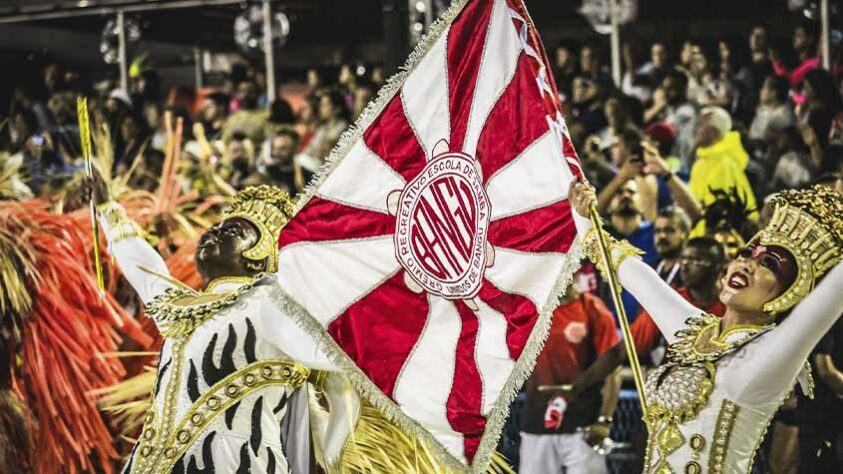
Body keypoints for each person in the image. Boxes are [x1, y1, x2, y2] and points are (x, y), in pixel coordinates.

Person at [569, 182, 843, 473]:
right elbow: (629, 268)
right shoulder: (693, 332)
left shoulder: (771, 353)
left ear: (791, 292)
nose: (746, 265)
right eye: (747, 253)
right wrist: (584, 216)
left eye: (769, 264)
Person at [91, 183, 341, 473]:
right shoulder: (183, 308)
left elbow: (339, 351)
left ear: (258, 255)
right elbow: (145, 268)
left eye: (233, 231)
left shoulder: (269, 303)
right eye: (214, 227)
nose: (214, 233)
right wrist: (108, 207)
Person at [564, 237, 728, 397]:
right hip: (676, 398)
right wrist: (576, 387)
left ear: (718, 267)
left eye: (695, 260)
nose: (684, 266)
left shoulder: (733, 307)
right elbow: (621, 352)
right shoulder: (669, 302)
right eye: (683, 259)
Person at [519, 282, 620, 474]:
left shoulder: (593, 308)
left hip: (583, 426)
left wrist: (604, 420)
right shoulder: (529, 308)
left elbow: (613, 370)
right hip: (536, 422)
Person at [688, 106, 758, 215]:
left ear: (713, 133)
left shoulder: (724, 164)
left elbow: (718, 212)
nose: (695, 130)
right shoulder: (703, 161)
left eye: (700, 125)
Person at [653, 207, 692, 287]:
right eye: (658, 231)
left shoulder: (691, 272)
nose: (662, 236)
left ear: (686, 234)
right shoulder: (651, 268)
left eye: (669, 230)